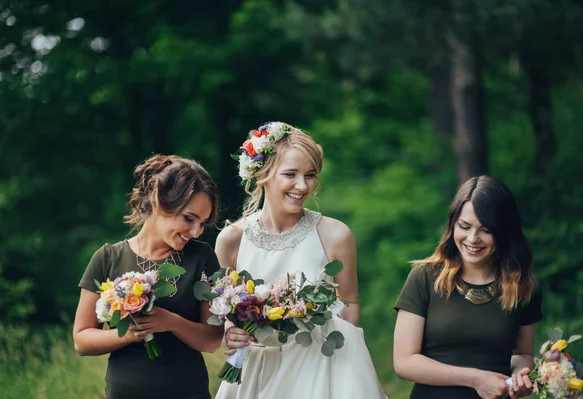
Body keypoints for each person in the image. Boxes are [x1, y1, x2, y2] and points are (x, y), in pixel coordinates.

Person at [214, 122, 387, 399]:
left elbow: (351, 302)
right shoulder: (231, 239)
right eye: (290, 174)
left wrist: (343, 369)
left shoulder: (335, 235)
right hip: (257, 370)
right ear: (263, 175)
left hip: (318, 368)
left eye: (310, 175)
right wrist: (229, 331)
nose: (302, 185)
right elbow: (222, 311)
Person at [73, 154, 224, 399]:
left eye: (203, 223)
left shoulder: (202, 257)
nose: (196, 232)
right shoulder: (107, 258)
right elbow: (81, 340)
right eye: (189, 218)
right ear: (158, 201)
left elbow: (212, 341)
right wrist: (128, 334)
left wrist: (172, 322)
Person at [393, 175, 542, 399]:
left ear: (504, 231)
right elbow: (404, 363)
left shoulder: (524, 286)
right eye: (465, 226)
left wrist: (520, 375)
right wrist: (475, 379)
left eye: (486, 230)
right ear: (453, 224)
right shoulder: (424, 277)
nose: (473, 239)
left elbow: (522, 354)